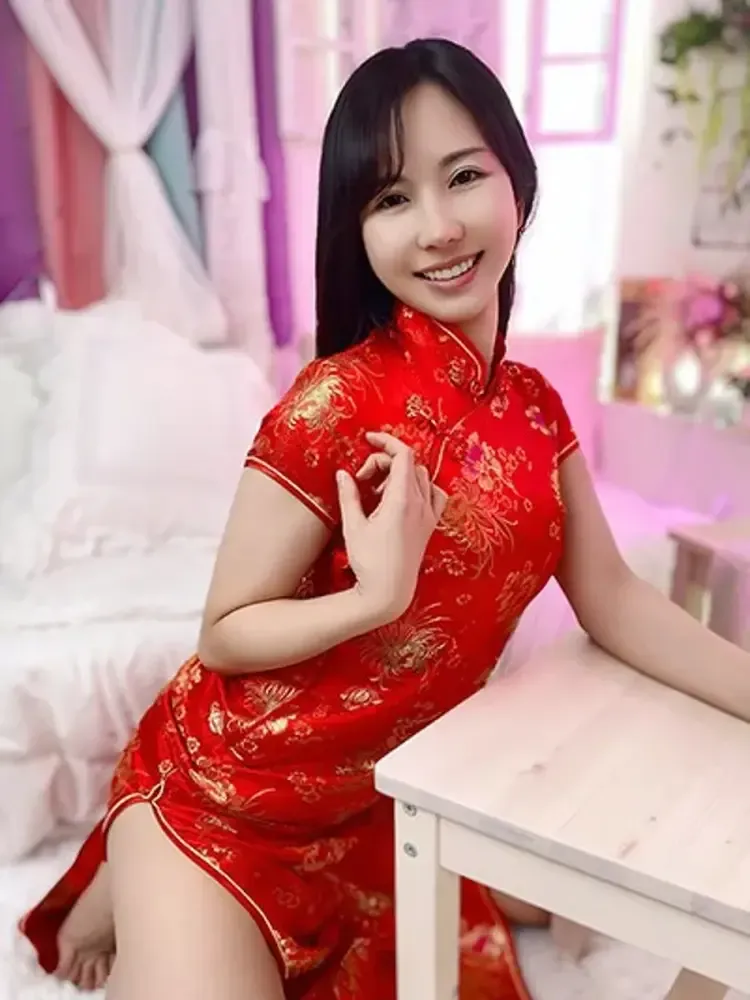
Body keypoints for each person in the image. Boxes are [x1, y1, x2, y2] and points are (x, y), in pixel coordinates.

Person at [19, 37, 750, 1000]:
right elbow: (225, 633)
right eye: (393, 199)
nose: (439, 227)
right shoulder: (333, 401)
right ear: (357, 230)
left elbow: (614, 598)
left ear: (518, 183)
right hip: (233, 795)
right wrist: (374, 598)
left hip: (382, 805)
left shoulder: (536, 410)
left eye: (464, 177)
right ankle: (131, 853)